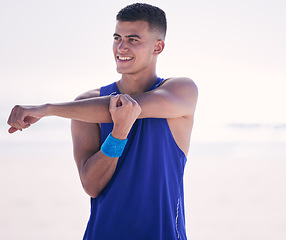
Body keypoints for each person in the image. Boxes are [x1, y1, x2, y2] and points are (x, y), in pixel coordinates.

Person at [7, 3, 198, 240]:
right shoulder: (85, 104)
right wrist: (118, 135)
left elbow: (127, 107)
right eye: (117, 38)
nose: (121, 47)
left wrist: (48, 109)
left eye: (133, 39)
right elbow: (92, 185)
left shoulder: (181, 90)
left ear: (157, 47)